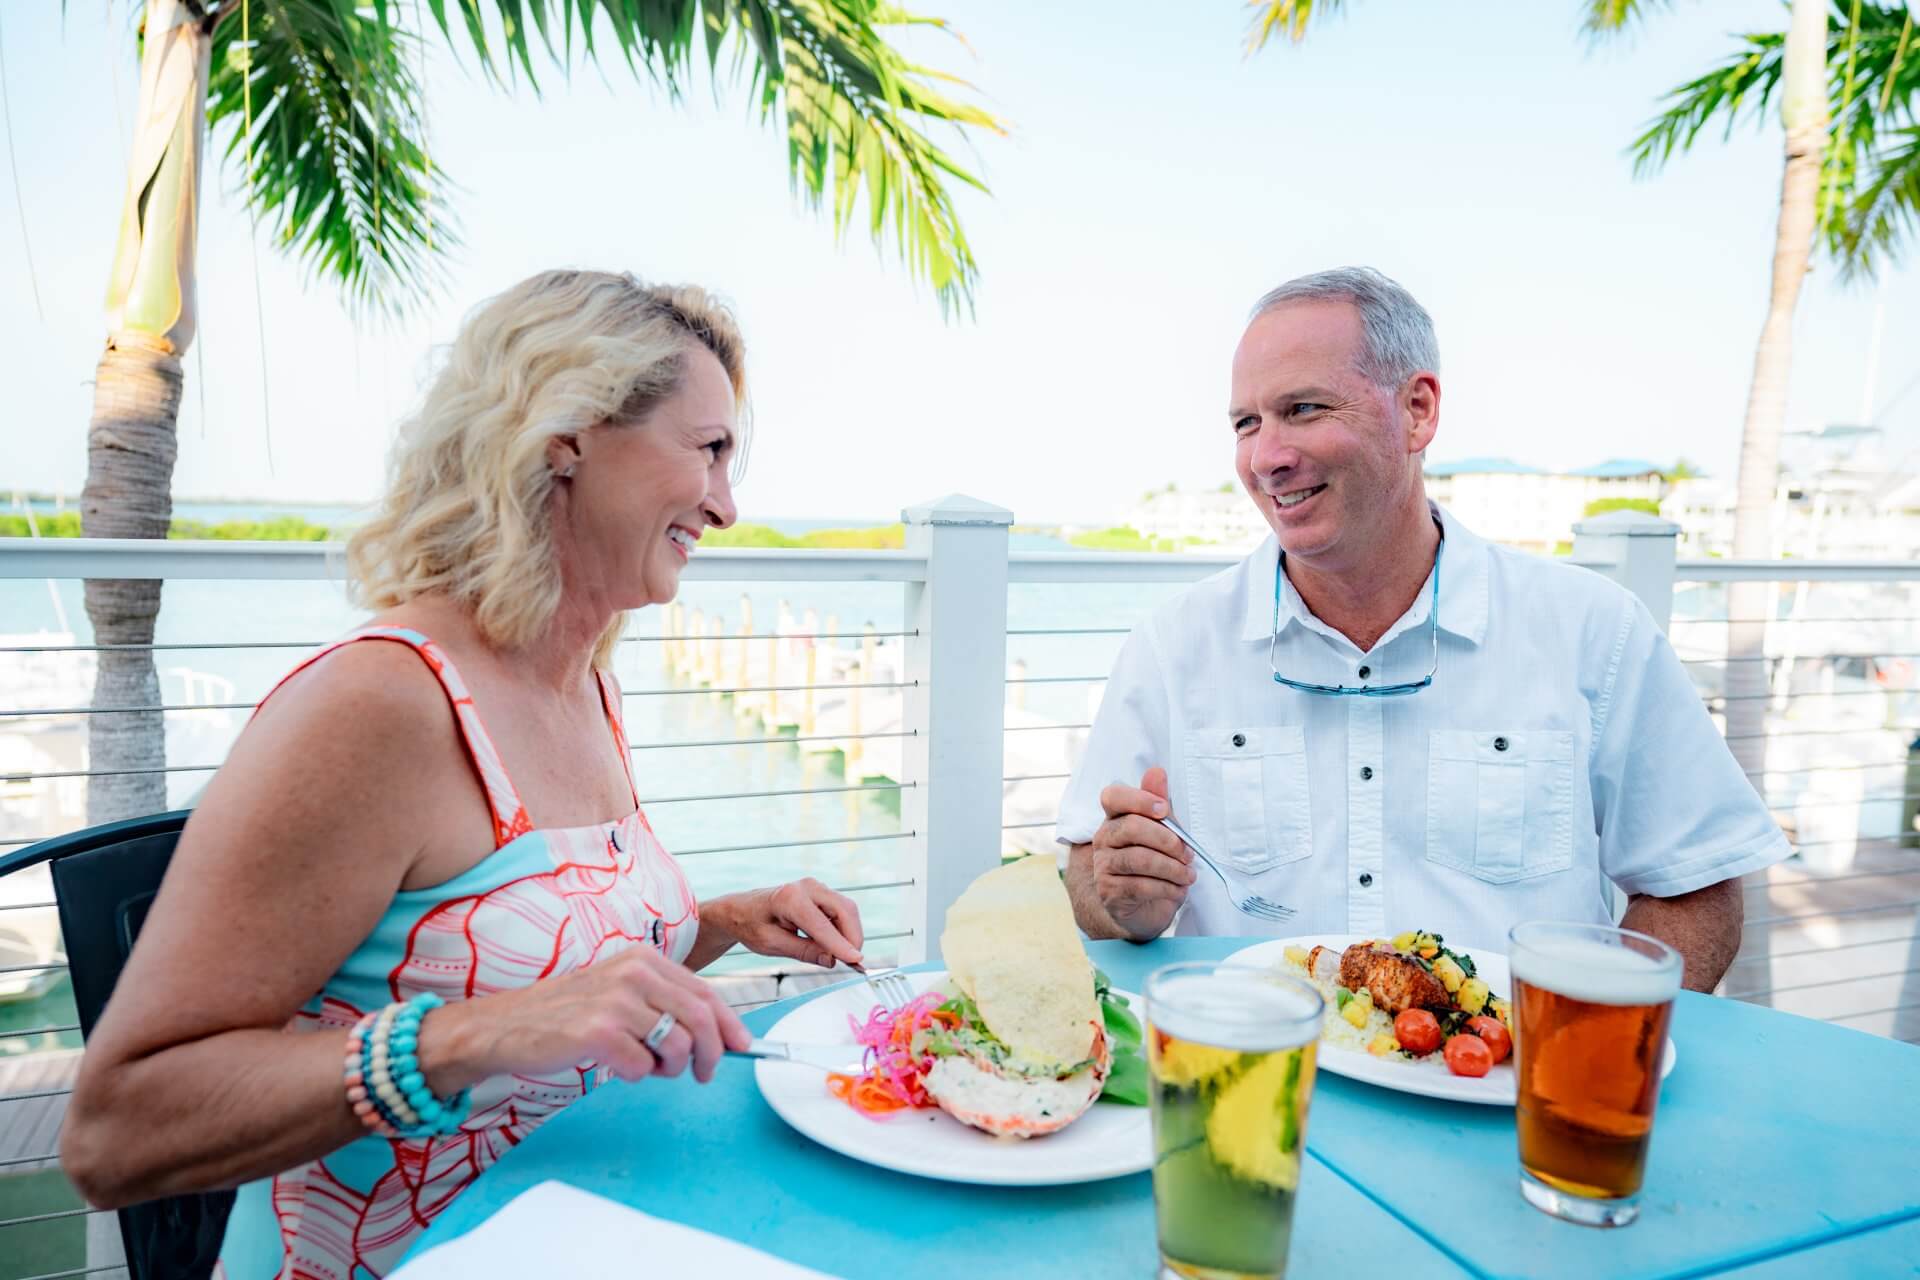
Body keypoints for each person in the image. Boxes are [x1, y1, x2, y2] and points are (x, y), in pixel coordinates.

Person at [61, 270, 868, 1276]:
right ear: (566, 434)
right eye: (708, 450)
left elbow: (537, 961)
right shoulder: (381, 701)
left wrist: (726, 917)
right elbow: (112, 1133)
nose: (728, 505)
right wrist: (465, 1037)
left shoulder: (585, 684)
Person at [1058, 267, 1787, 991]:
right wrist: (1124, 896)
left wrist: (1579, 1057)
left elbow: (1695, 888)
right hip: (1257, 1085)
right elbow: (1090, 877)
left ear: (1418, 411)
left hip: (1503, 1095)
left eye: (1303, 409)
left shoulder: (1593, 631)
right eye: (1246, 423)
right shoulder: (1172, 645)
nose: (1265, 457)